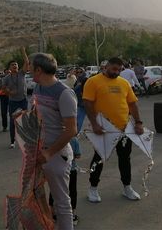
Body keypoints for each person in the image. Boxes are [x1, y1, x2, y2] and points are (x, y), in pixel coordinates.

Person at [83, 57, 144, 203]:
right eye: (114, 69)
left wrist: (138, 122)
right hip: (103, 130)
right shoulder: (93, 81)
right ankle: (92, 188)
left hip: (124, 129)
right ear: (106, 66)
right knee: (99, 159)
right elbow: (87, 104)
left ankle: (127, 187)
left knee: (125, 159)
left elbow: (133, 104)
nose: (116, 72)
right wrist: (94, 124)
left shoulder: (124, 83)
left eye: (119, 70)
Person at [30, 53, 78, 229]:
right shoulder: (37, 88)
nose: (28, 70)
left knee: (61, 203)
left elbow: (72, 130)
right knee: (36, 197)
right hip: (37, 152)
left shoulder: (64, 93)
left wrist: (49, 153)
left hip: (55, 154)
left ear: (39, 69)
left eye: (31, 68)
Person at [0, 48, 30, 149]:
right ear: (9, 68)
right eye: (12, 65)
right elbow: (2, 90)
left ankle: (27, 140)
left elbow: (27, 62)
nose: (15, 66)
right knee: (13, 121)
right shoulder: (6, 78)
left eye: (16, 64)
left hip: (23, 100)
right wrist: (10, 92)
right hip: (13, 102)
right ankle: (12, 141)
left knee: (25, 120)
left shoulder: (22, 73)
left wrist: (23, 52)